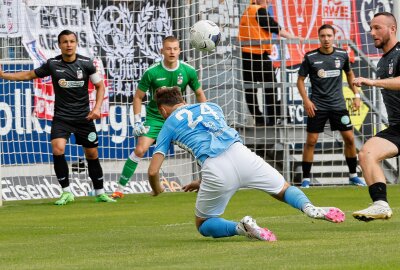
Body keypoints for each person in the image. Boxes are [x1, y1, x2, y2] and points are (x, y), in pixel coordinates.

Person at [147, 86, 345, 241]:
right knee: (283, 189)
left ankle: (241, 228)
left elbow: (153, 171)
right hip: (242, 154)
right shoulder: (212, 107)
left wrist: (157, 190)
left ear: (163, 110)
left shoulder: (169, 123)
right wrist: (202, 181)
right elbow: (217, 140)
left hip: (215, 169)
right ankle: (309, 207)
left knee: (203, 223)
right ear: (183, 100)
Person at [0, 30, 115, 204]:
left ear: (76, 43)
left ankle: (100, 192)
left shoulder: (87, 64)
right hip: (62, 117)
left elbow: (100, 86)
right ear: (59, 45)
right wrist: (3, 75)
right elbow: (28, 75)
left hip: (84, 118)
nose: (69, 45)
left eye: (72, 41)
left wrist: (97, 108)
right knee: (58, 149)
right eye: (65, 42)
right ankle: (67, 192)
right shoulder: (52, 64)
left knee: (92, 154)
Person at [111, 36, 206, 199]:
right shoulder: (152, 72)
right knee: (140, 149)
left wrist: (205, 114)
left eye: (175, 49)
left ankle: (207, 183)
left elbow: (199, 93)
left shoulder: (188, 70)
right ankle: (119, 189)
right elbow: (138, 97)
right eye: (168, 49)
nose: (172, 52)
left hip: (178, 119)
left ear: (180, 50)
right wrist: (137, 121)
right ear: (162, 51)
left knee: (201, 147)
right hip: (155, 118)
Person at [297, 24, 366, 188]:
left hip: (338, 105)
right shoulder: (310, 57)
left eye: (329, 35)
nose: (326, 39)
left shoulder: (342, 55)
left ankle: (353, 175)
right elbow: (300, 80)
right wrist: (306, 100)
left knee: (349, 139)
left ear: (334, 37)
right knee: (311, 141)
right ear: (319, 37)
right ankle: (306, 179)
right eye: (323, 36)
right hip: (318, 106)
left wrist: (356, 95)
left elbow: (350, 75)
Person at [352, 12, 400, 221]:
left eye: (377, 28)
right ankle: (380, 204)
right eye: (371, 28)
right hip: (398, 127)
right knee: (366, 154)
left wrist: (373, 82)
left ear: (392, 29)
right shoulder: (383, 62)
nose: (372, 33)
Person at [238, 0, 301, 126]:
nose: (268, 4)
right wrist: (294, 38)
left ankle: (260, 119)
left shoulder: (247, 12)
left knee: (250, 90)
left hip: (246, 56)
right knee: (271, 88)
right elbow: (275, 27)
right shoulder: (258, 10)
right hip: (259, 56)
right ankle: (272, 119)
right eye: (266, 1)